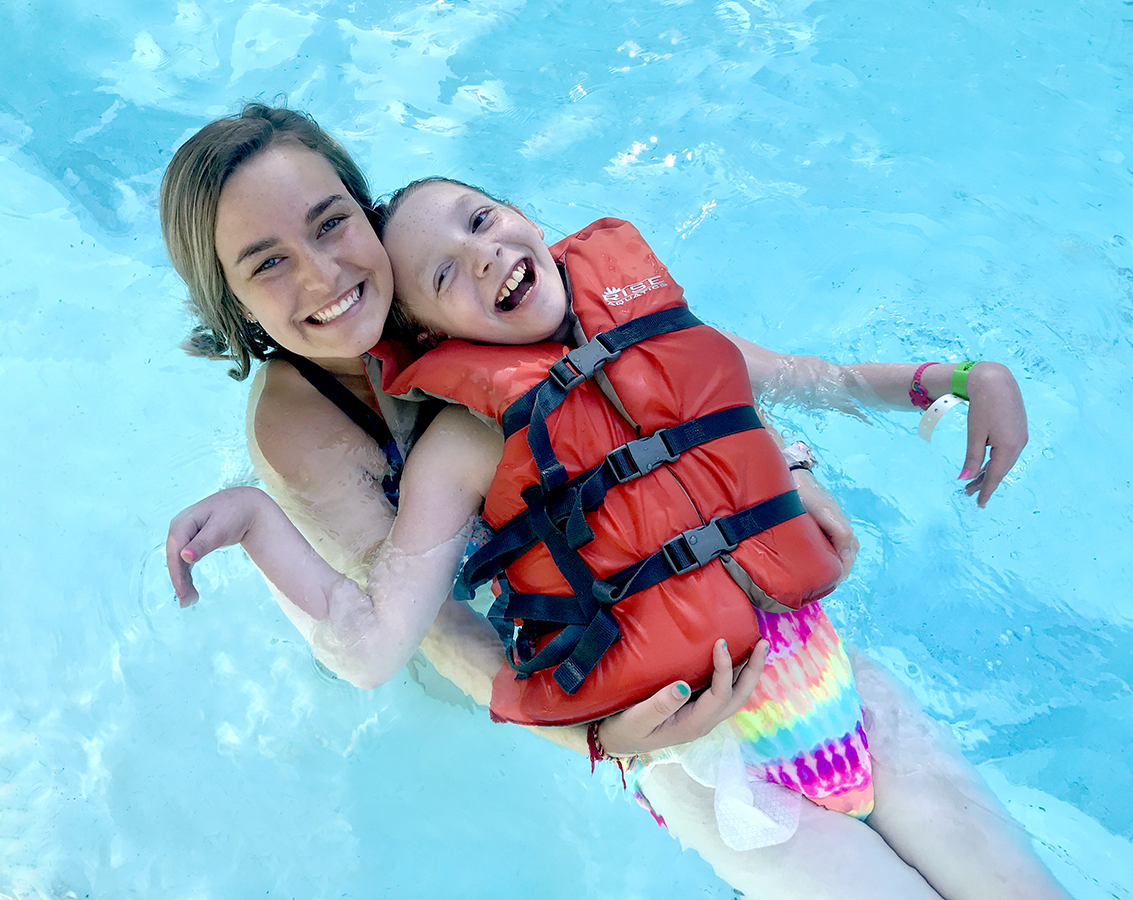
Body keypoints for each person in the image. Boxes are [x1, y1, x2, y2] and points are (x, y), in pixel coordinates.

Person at [161, 106, 1064, 899]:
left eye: (331, 223)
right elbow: (420, 626)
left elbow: (732, 385)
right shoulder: (330, 425)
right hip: (625, 703)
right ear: (233, 303)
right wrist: (599, 734)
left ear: (365, 209)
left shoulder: (518, 284)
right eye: (268, 264)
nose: (322, 275)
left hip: (791, 654)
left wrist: (791, 466)